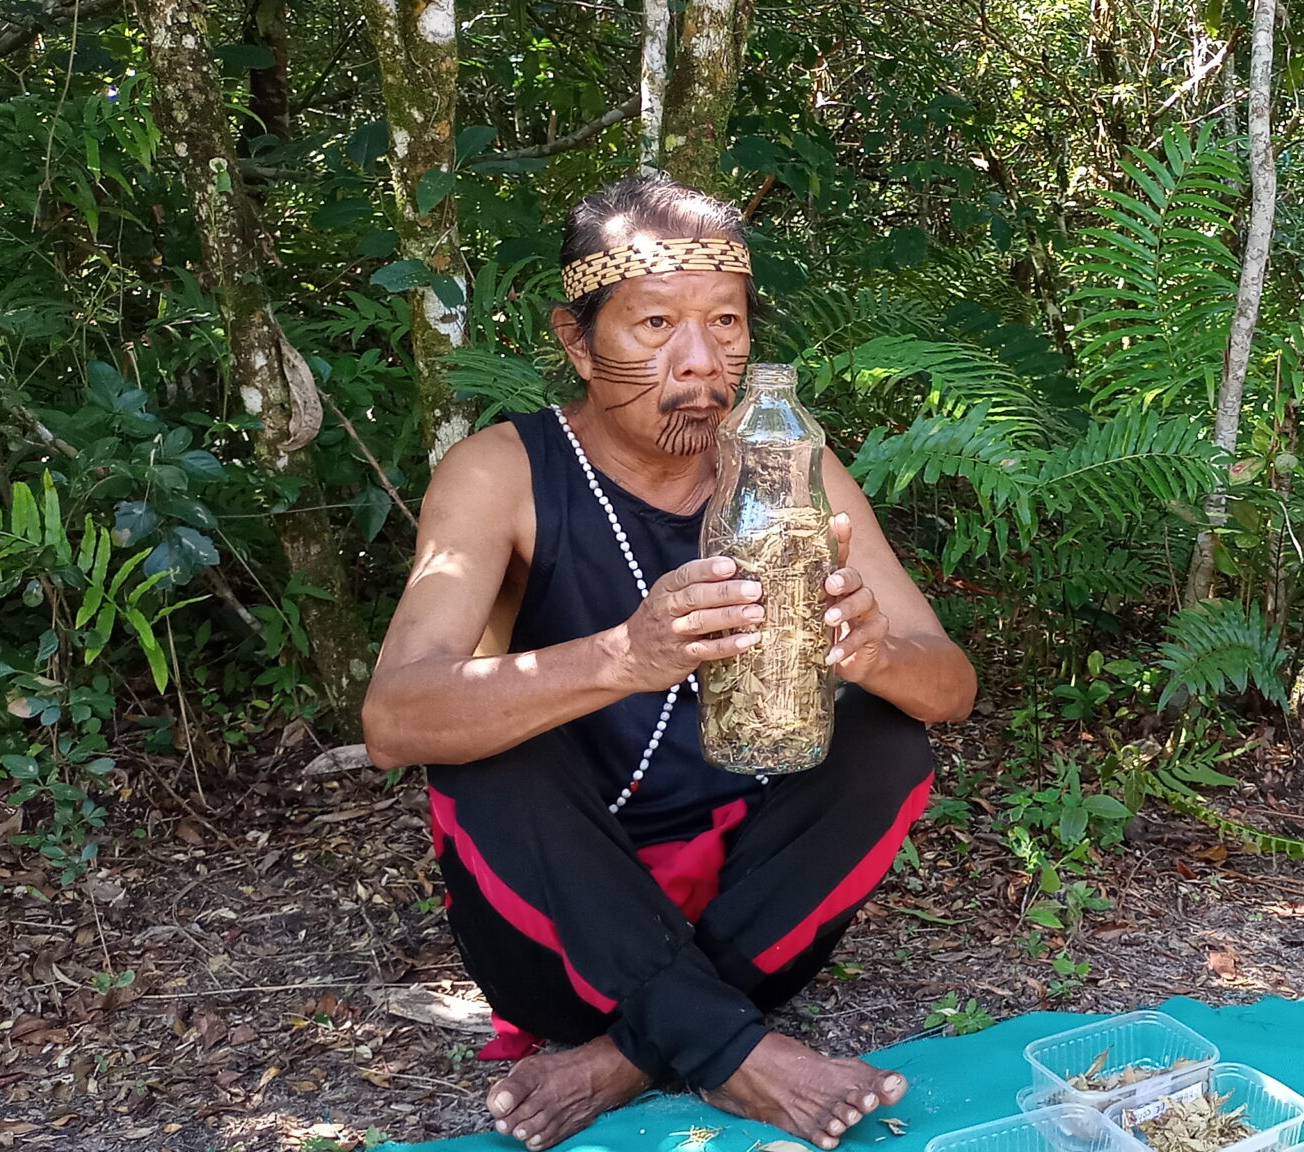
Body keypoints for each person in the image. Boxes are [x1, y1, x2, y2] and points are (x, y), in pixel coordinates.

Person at [361, 170, 977, 1152]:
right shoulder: (501, 473)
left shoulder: (789, 466)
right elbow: (394, 720)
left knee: (887, 737)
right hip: (555, 917)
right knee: (490, 745)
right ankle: (735, 1054)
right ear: (575, 339)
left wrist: (868, 651)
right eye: (655, 327)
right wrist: (620, 657)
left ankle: (634, 1055)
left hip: (747, 907)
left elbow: (946, 686)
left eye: (726, 326)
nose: (700, 364)